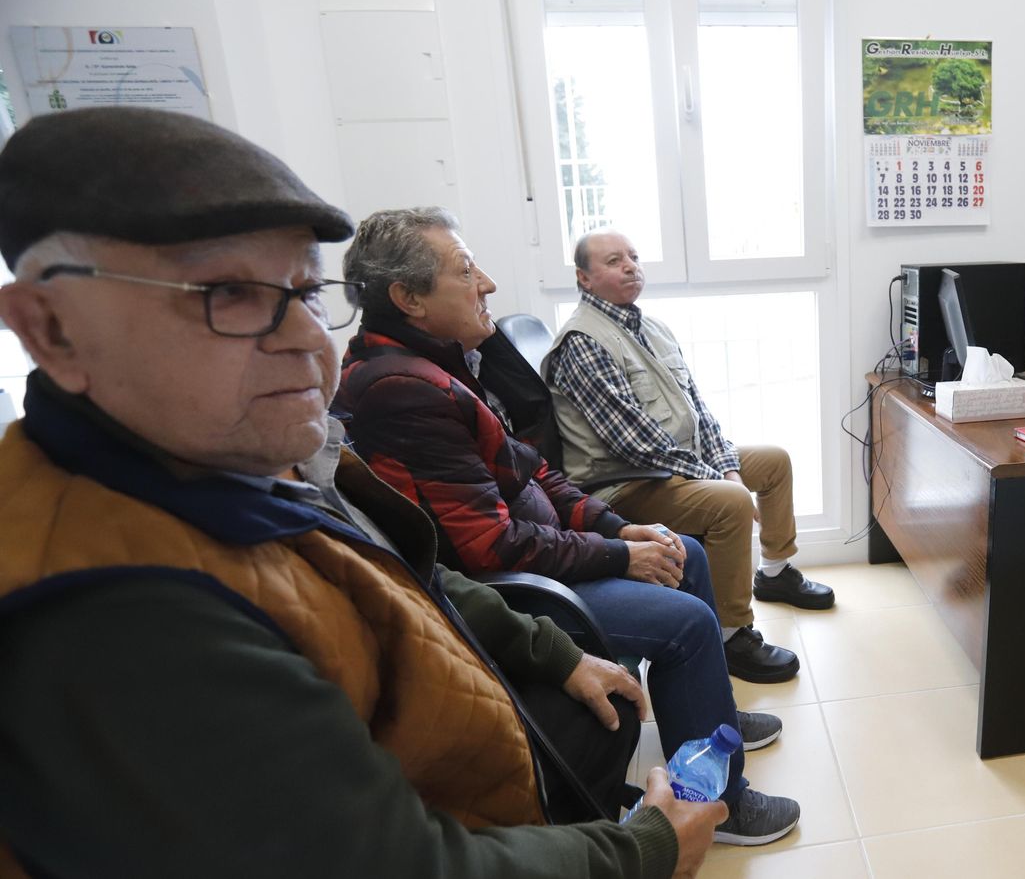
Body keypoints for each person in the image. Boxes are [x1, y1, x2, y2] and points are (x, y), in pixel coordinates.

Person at [0, 108, 725, 878]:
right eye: (229, 294)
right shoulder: (115, 612)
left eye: (308, 292)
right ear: (52, 328)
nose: (308, 341)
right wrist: (643, 849)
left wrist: (553, 652)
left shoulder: (227, 455)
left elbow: (399, 563)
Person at [333, 207, 800, 847]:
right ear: (408, 297)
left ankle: (704, 711)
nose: (488, 284)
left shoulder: (439, 366)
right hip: (511, 587)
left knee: (681, 550)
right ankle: (719, 805)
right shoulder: (401, 390)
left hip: (534, 553)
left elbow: (534, 473)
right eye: (466, 271)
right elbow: (487, 547)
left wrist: (620, 531)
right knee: (688, 622)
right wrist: (613, 555)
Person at [542, 230, 835, 684]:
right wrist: (721, 482)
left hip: (672, 465)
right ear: (584, 277)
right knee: (731, 502)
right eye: (614, 260)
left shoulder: (651, 327)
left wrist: (729, 467)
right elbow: (635, 442)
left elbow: (699, 412)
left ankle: (774, 571)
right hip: (624, 483)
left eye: (634, 257)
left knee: (772, 461)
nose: (630, 266)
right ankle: (730, 633)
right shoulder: (583, 342)